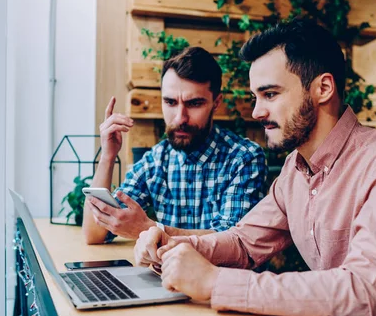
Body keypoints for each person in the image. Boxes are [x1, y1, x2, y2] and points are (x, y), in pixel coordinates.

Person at [134, 19, 376, 316]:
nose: (256, 111)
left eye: (270, 94)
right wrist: (175, 245)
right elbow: (243, 242)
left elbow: (366, 294)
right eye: (256, 97)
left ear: (323, 88)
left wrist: (216, 282)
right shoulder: (294, 170)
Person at [83, 47, 268, 243]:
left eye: (194, 103)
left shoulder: (244, 159)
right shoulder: (155, 161)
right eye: (170, 102)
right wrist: (108, 156)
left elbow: (233, 241)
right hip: (166, 273)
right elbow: (95, 234)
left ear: (216, 102)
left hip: (222, 274)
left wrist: (151, 229)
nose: (180, 118)